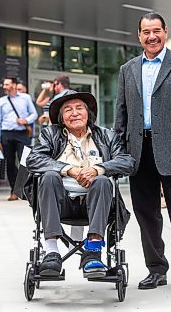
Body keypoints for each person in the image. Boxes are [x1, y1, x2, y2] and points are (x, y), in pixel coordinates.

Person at [115, 12, 171, 294]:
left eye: (156, 30)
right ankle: (156, 269)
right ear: (139, 35)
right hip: (137, 151)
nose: (151, 36)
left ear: (165, 31)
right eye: (146, 32)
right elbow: (122, 113)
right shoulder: (127, 69)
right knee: (146, 213)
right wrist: (119, 150)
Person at [27, 90, 135, 278]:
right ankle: (52, 252)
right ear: (61, 118)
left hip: (97, 205)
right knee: (49, 176)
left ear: (88, 113)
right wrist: (69, 169)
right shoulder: (51, 134)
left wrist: (98, 169)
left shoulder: (106, 136)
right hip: (61, 204)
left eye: (79, 108)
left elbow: (127, 161)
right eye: (68, 110)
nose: (74, 113)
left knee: (101, 181)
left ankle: (93, 251)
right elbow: (33, 159)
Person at [0, 77, 37, 201]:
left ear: (14, 85)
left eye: (7, 84)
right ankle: (14, 190)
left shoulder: (25, 98)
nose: (4, 86)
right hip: (6, 134)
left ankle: (23, 188)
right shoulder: (1, 101)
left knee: (24, 162)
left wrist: (26, 120)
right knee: (10, 163)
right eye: (4, 84)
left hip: (22, 133)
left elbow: (34, 114)